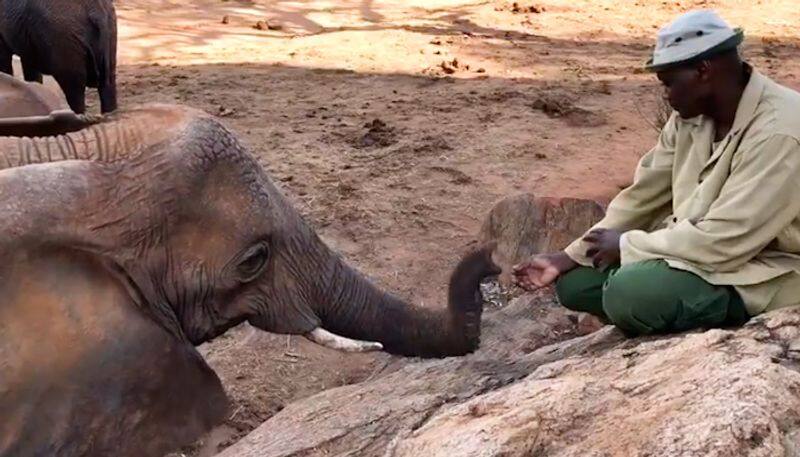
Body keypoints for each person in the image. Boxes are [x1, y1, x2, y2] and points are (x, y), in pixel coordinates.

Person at [512, 9, 800, 336]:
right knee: (575, 284)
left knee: (629, 293)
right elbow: (642, 198)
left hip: (770, 269)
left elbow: (727, 239)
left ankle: (719, 313)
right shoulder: (691, 118)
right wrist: (570, 255)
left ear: (703, 70)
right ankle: (670, 300)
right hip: (698, 251)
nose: (666, 95)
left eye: (669, 83)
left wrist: (630, 245)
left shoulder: (781, 132)